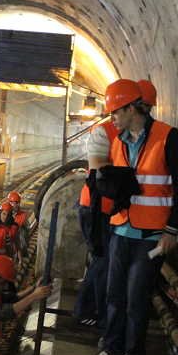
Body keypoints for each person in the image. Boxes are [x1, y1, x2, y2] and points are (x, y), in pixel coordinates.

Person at [82, 78, 178, 355]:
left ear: (133, 108)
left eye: (117, 112)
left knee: (136, 296)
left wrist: (172, 229)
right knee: (114, 293)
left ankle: (133, 354)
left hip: (151, 235)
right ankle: (112, 349)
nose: (113, 118)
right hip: (122, 229)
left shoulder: (168, 137)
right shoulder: (119, 141)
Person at [73, 113, 119, 331]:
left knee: (102, 261)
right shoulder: (106, 131)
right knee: (103, 261)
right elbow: (100, 171)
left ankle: (91, 310)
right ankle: (87, 311)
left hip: (102, 207)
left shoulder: (121, 131)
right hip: (97, 206)